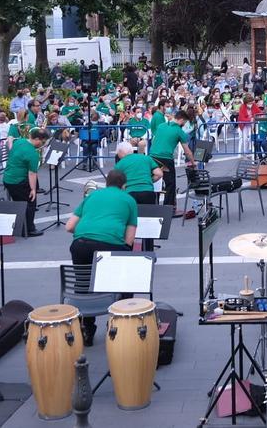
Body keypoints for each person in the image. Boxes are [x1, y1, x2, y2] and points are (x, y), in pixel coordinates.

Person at [66, 168, 138, 345]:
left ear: (106, 184)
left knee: (83, 283)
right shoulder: (129, 199)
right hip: (111, 244)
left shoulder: (91, 196)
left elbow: (69, 227)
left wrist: (88, 233)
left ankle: (87, 331)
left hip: (80, 244)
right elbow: (130, 239)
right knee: (125, 281)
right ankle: (121, 326)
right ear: (124, 186)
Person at [148, 109, 196, 213]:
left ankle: (154, 206)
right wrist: (193, 163)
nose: (184, 125)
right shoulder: (179, 131)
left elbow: (153, 140)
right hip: (166, 158)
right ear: (181, 120)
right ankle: (169, 209)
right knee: (170, 184)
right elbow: (187, 151)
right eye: (184, 122)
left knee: (155, 181)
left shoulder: (161, 126)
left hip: (152, 156)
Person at [5, 128, 48, 237]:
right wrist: (33, 190)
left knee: (21, 201)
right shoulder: (33, 154)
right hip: (17, 182)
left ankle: (21, 225)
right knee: (31, 203)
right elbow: (32, 174)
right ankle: (29, 229)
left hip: (7, 178)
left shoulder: (20, 141)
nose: (43, 145)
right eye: (43, 142)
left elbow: (11, 143)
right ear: (37, 139)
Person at [115, 142, 163, 207]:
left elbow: (118, 184)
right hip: (148, 192)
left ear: (120, 152)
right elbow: (159, 174)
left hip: (130, 193)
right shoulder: (146, 158)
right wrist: (148, 180)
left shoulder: (119, 164)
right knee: (149, 215)